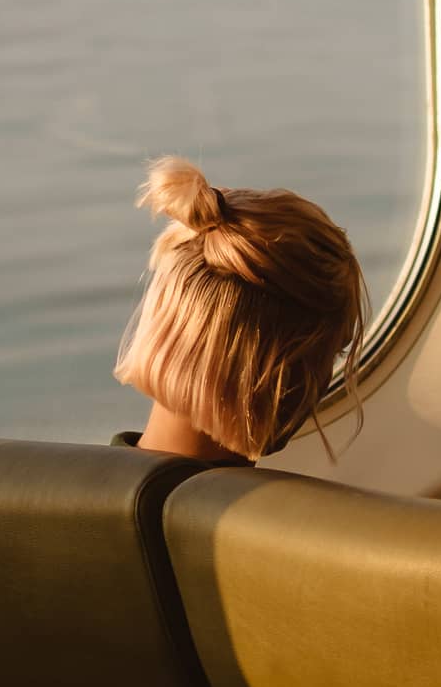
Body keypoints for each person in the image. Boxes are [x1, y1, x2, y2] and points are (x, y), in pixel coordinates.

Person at [114, 156, 367, 464]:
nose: (326, 380)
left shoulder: (68, 488)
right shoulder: (276, 511)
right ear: (286, 371)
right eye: (334, 353)